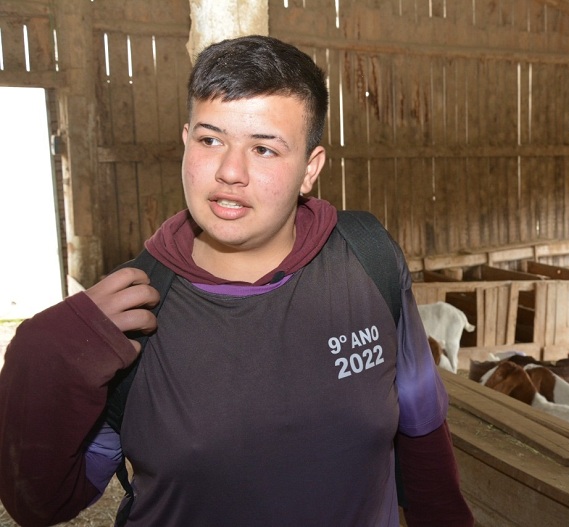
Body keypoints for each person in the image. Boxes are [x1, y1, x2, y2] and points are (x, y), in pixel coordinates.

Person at [0, 35, 474, 527]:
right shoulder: (132, 312)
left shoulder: (367, 258)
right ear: (186, 142)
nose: (230, 172)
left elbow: (421, 425)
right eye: (210, 141)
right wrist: (41, 356)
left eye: (264, 149)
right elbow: (42, 504)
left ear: (309, 169)